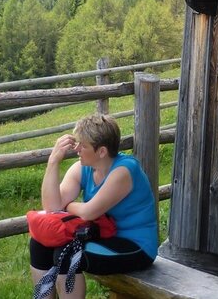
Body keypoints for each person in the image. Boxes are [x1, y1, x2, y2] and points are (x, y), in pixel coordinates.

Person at [30, 112, 158, 298]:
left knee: (66, 254)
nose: (77, 149)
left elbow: (89, 212)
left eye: (83, 145)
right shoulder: (82, 168)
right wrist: (53, 162)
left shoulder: (124, 171)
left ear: (102, 151)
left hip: (136, 246)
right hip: (103, 236)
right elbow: (51, 207)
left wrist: (66, 206)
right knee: (39, 243)